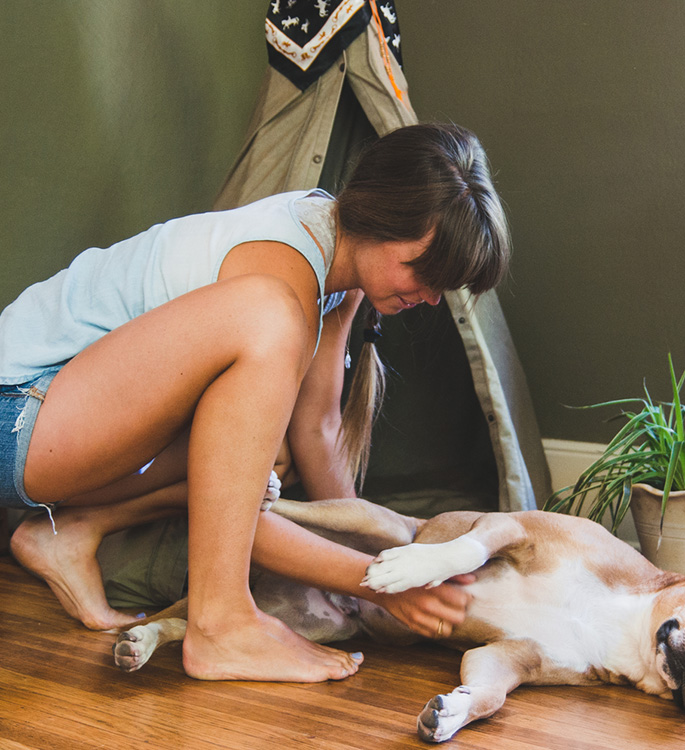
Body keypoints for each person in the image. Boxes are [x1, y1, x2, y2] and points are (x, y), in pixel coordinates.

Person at [0, 122, 511, 682]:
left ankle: (69, 531)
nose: (433, 298)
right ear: (378, 217)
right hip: (18, 412)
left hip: (56, 430)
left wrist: (382, 549)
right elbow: (235, 500)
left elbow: (316, 428)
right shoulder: (278, 268)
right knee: (260, 386)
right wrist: (379, 584)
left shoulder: (340, 272)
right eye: (423, 269)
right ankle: (219, 626)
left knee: (271, 456)